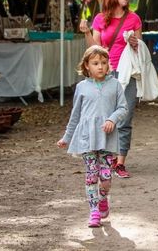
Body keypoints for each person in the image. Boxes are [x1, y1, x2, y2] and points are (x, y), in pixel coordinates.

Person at [57, 45, 128, 227]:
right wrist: (66, 137)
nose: (100, 67)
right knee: (91, 175)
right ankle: (94, 212)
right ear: (87, 66)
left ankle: (103, 198)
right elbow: (75, 115)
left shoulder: (115, 84)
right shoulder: (81, 87)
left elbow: (123, 108)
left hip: (107, 138)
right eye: (95, 63)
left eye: (104, 62)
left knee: (105, 177)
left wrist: (112, 119)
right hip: (86, 138)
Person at [80, 0, 142, 178]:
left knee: (125, 116)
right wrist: (87, 32)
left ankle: (120, 162)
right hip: (106, 73)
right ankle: (105, 157)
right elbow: (94, 48)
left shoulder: (134, 19)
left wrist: (135, 43)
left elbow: (140, 48)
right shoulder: (100, 19)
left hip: (128, 73)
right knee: (105, 115)